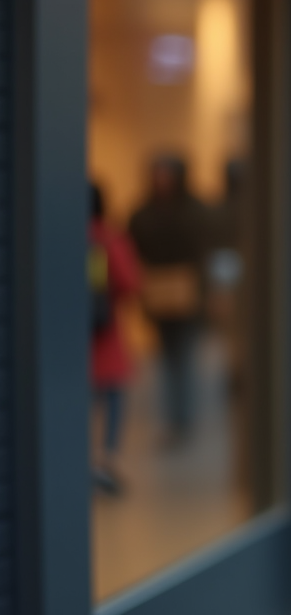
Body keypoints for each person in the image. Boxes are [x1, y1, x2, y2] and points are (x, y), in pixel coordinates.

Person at [128, 156, 211, 441]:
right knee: (166, 356)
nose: (162, 180)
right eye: (157, 174)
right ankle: (174, 417)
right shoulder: (143, 212)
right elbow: (133, 246)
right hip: (157, 290)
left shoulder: (196, 210)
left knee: (184, 355)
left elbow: (205, 251)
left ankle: (184, 417)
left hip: (188, 290)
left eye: (167, 174)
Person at [88, 183, 141, 493]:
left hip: (68, 340)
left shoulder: (55, 232)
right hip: (105, 335)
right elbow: (128, 281)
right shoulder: (108, 238)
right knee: (112, 401)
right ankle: (106, 461)